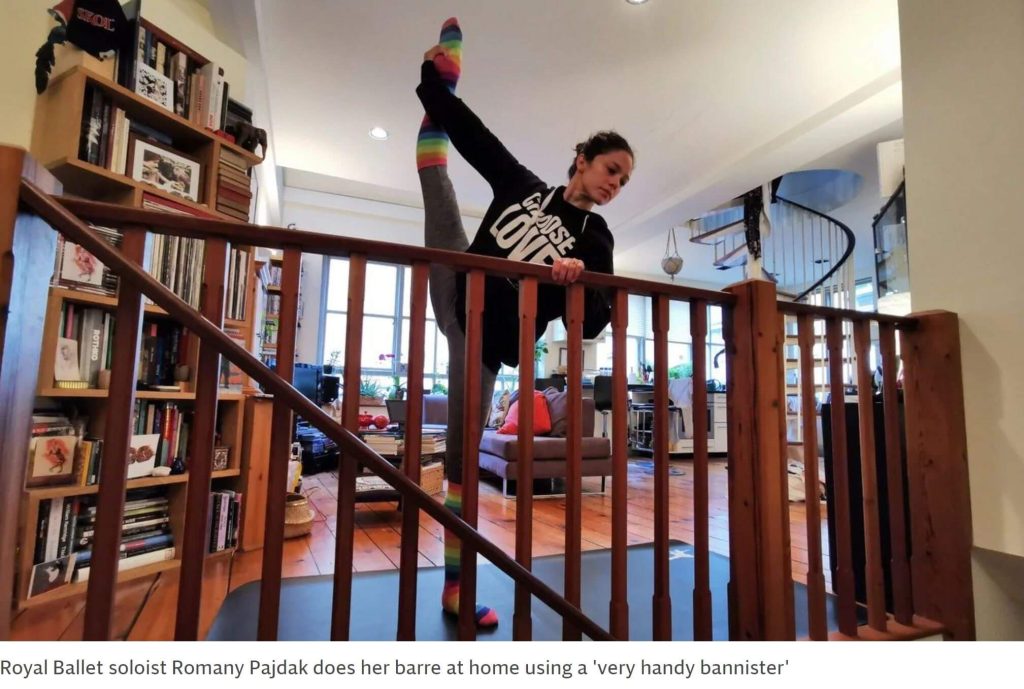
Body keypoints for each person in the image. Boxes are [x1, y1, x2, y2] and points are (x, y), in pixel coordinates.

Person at [415, 18, 634, 627]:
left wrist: (575, 279)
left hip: (481, 337)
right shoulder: (525, 188)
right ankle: (444, 80)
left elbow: (592, 322)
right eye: (610, 168)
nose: (615, 184)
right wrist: (435, 83)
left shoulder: (597, 237)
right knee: (438, 180)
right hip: (455, 283)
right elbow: (474, 137)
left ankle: (454, 587)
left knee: (461, 460)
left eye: (623, 179)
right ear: (583, 161)